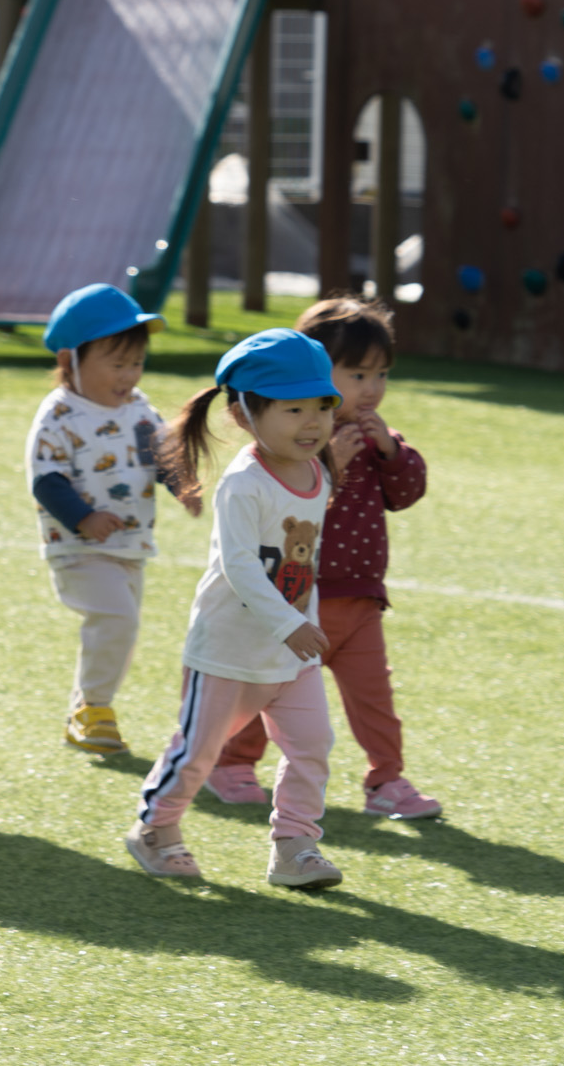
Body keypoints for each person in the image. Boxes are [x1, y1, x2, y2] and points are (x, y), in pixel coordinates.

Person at [206, 295, 438, 819]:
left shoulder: (381, 437)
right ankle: (229, 762)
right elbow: (291, 503)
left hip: (360, 599)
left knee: (375, 698)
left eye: (380, 375)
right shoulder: (294, 440)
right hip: (295, 597)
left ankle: (387, 779)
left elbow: (406, 493)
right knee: (263, 688)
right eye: (357, 374)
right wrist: (332, 458)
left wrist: (393, 454)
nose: (372, 389)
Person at [126, 330, 344, 889]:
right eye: (294, 409)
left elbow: (305, 564)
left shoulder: (317, 473)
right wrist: (291, 623)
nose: (313, 421)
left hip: (291, 656)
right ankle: (156, 829)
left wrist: (304, 626)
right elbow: (241, 567)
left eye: (323, 405)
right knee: (198, 754)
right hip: (226, 652)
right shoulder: (244, 484)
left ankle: (295, 845)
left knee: (313, 745)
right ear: (245, 415)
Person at [25, 283, 200, 755]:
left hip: (130, 545)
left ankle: (85, 708)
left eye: (136, 362)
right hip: (78, 547)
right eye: (116, 363)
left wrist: (182, 485)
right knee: (115, 618)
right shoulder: (59, 415)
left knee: (121, 629)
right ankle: (94, 708)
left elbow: (160, 452)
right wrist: (83, 518)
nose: (129, 375)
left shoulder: (139, 407)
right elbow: (46, 480)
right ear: (70, 361)